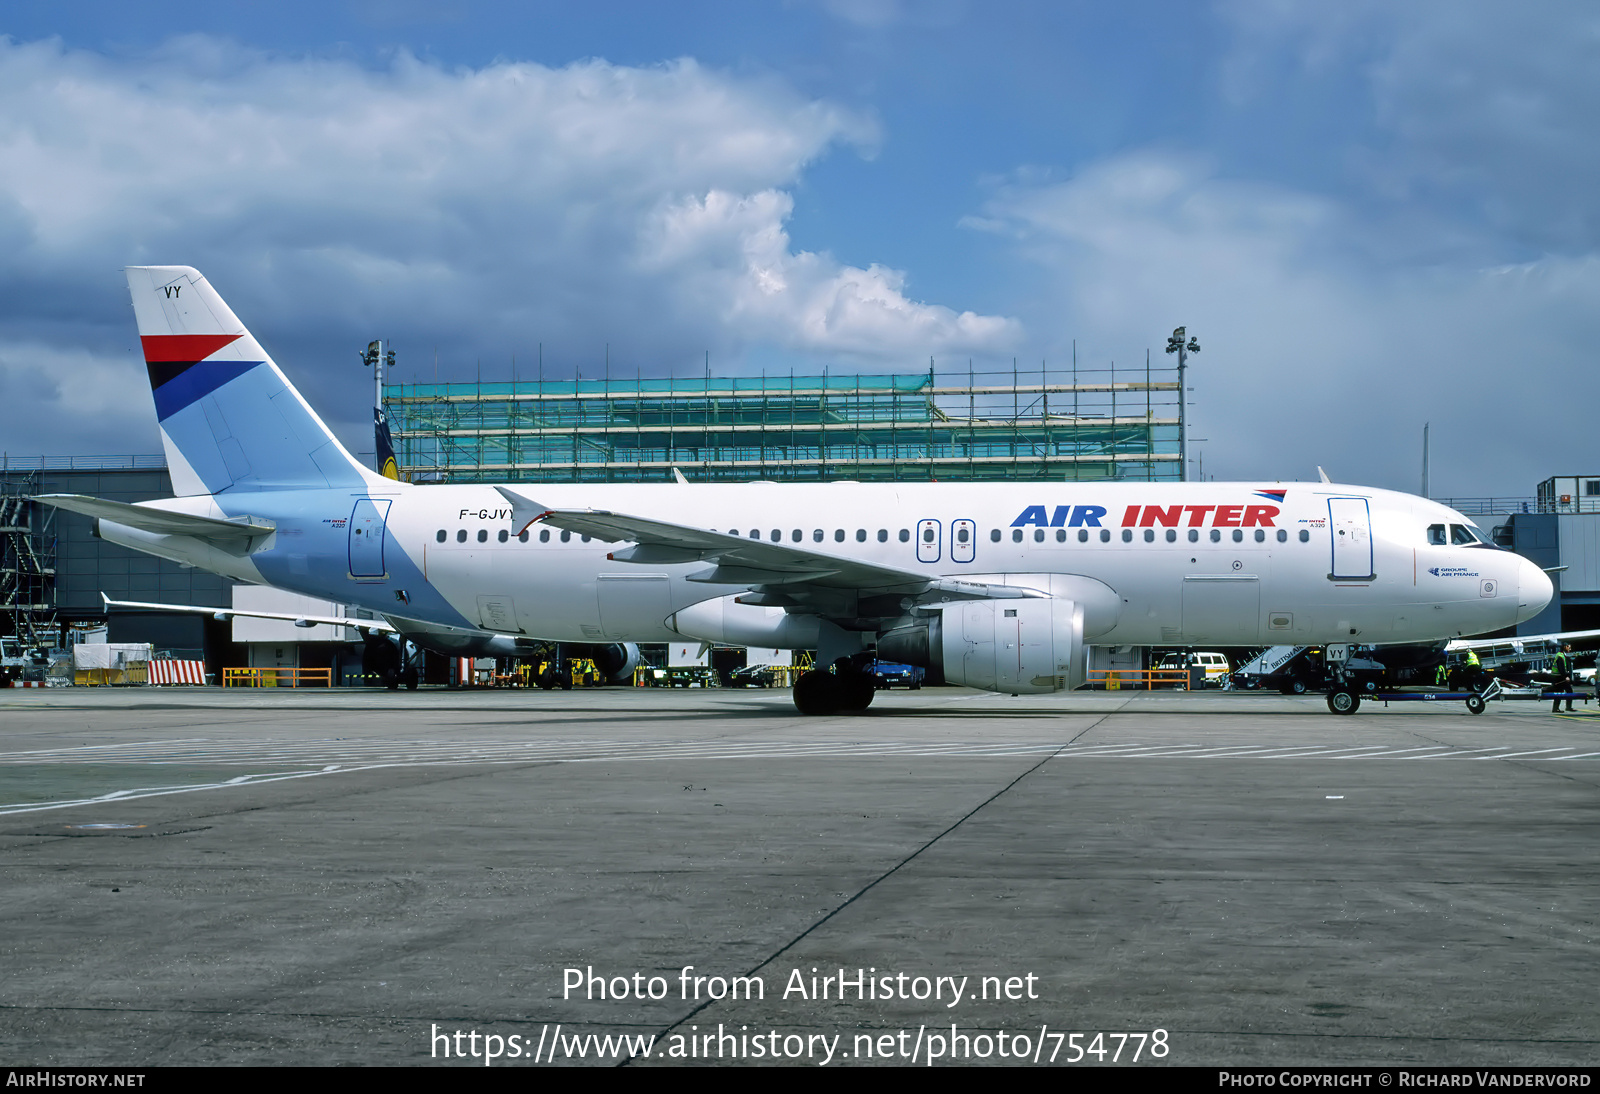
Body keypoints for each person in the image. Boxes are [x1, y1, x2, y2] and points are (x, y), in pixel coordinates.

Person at [1550, 643, 1574, 713]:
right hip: (1558, 677)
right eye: (1569, 647)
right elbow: (1561, 668)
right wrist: (1565, 677)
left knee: (1562, 692)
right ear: (1565, 647)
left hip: (1559, 677)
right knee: (1565, 691)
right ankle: (1562, 708)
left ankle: (1558, 708)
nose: (1570, 649)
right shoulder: (1560, 656)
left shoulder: (1562, 655)